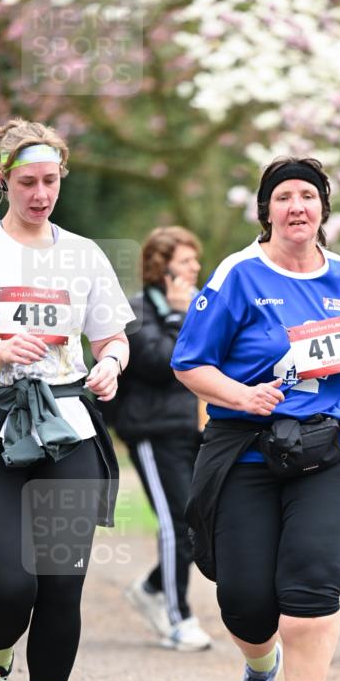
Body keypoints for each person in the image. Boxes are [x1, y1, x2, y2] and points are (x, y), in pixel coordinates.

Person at [171, 156, 340, 681]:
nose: (297, 207)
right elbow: (190, 363)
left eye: (308, 196)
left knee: (311, 584)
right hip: (246, 447)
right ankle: (260, 669)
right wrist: (242, 396)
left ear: (323, 208)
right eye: (284, 197)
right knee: (245, 601)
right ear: (265, 209)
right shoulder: (239, 274)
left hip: (331, 448)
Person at [0, 118, 131, 681]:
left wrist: (110, 364)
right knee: (8, 583)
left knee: (60, 581)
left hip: (68, 423)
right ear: (2, 180)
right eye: (27, 182)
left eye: (50, 181)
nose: (40, 193)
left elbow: (111, 337)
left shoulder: (83, 254)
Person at [114, 227, 212, 652]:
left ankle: (153, 587)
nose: (195, 268)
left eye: (195, 261)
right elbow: (160, 362)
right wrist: (177, 315)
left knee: (201, 521)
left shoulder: (199, 307)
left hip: (196, 431)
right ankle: (177, 617)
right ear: (161, 265)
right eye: (186, 261)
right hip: (153, 432)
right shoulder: (136, 310)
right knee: (177, 520)